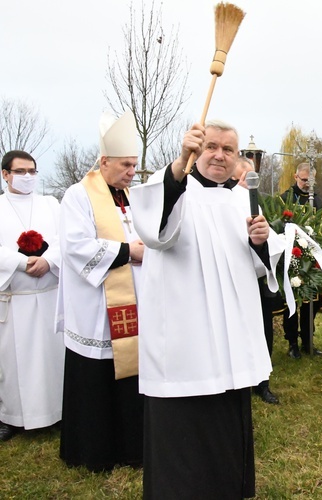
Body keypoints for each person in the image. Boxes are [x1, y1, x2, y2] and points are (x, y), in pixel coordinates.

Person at [129, 120, 284, 499]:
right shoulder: (177, 190)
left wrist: (261, 242)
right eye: (211, 147)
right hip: (185, 340)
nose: (219, 155)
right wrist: (180, 163)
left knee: (225, 431)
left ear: (237, 158)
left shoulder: (240, 198)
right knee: (182, 439)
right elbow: (155, 232)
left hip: (230, 345)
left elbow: (265, 263)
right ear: (196, 151)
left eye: (228, 150)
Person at [57, 111, 145, 471]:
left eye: (135, 165)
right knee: (96, 380)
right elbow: (75, 246)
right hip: (95, 306)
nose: (132, 172)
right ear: (104, 161)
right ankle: (95, 452)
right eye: (125, 165)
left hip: (133, 305)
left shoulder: (132, 196)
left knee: (131, 377)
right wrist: (128, 252)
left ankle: (132, 447)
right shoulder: (78, 195)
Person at [0, 150, 63, 441]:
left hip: (50, 294)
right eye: (21, 171)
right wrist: (21, 262)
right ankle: (12, 417)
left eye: (32, 172)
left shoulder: (51, 204)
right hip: (16, 298)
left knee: (53, 358)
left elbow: (68, 239)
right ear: (5, 174)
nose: (28, 177)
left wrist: (49, 261)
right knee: (13, 362)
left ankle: (57, 412)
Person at [233, 157, 280, 405]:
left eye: (252, 178)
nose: (250, 183)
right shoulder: (225, 201)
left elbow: (264, 235)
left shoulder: (252, 202)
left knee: (263, 328)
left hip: (256, 277)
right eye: (245, 177)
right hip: (233, 279)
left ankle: (263, 382)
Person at [281, 162, 322, 358]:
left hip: (313, 260)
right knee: (291, 303)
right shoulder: (284, 200)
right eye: (304, 180)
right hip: (292, 258)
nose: (307, 184)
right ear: (295, 177)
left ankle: (308, 341)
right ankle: (292, 344)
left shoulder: (319, 203)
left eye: (311, 181)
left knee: (311, 303)